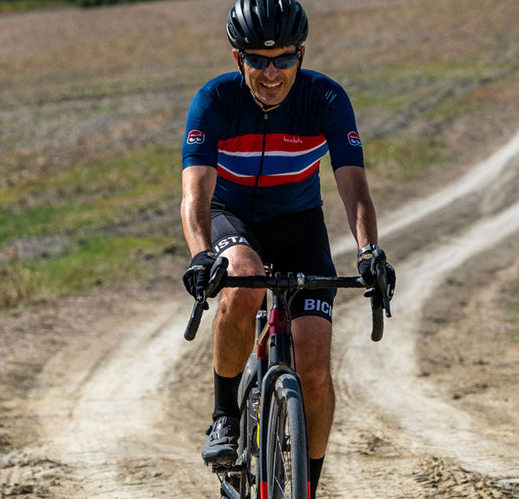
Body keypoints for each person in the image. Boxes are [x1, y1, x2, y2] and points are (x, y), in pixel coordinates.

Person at [178, 0, 392, 494]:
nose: (271, 72)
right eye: (257, 59)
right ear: (238, 59)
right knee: (243, 282)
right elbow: (195, 194)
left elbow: (354, 187)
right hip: (232, 217)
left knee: (314, 364)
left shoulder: (326, 99)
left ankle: (308, 488)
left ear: (301, 54)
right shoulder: (213, 102)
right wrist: (201, 255)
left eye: (284, 59)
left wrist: (368, 251)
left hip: (299, 223)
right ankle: (225, 415)